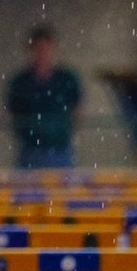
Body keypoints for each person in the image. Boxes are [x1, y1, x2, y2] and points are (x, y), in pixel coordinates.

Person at [6, 24, 83, 171]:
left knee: (61, 191)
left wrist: (63, 130)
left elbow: (78, 109)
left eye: (47, 49)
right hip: (30, 150)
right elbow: (12, 114)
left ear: (54, 49)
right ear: (31, 51)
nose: (43, 54)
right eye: (39, 49)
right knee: (27, 191)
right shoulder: (20, 82)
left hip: (60, 149)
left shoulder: (67, 79)